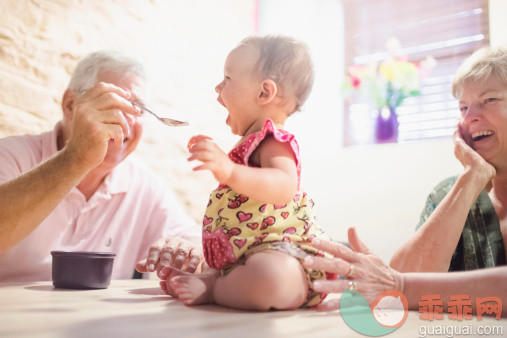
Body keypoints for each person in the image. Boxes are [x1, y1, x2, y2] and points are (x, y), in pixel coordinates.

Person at [164, 35, 335, 311]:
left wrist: (228, 170)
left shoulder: (274, 140)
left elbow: (284, 185)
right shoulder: (248, 144)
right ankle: (216, 278)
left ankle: (215, 288)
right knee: (240, 270)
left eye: (227, 79)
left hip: (283, 255)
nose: (217, 87)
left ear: (264, 93)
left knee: (272, 277)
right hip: (245, 254)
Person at [0, 50, 202, 283]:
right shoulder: (12, 156)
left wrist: (185, 249)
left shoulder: (143, 184)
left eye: (138, 109)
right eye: (109, 102)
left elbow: (196, 246)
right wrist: (77, 158)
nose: (125, 121)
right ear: (69, 105)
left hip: (96, 319)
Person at [390, 45, 507, 272]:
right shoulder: (447, 194)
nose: (470, 117)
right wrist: (472, 177)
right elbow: (401, 282)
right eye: (463, 107)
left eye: (489, 99)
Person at [303, 227, 507, 316]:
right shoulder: (447, 191)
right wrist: (470, 180)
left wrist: (401, 286)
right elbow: (406, 270)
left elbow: (401, 277)